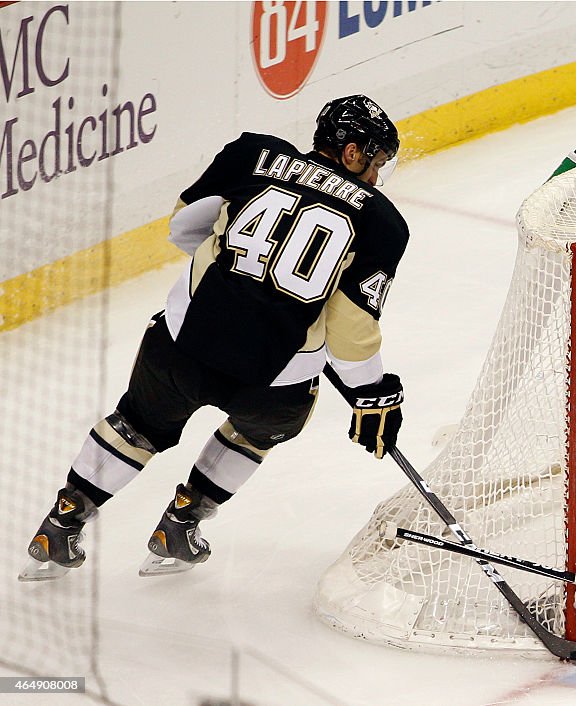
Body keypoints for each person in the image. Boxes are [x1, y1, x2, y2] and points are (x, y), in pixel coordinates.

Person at [20, 95, 410, 580]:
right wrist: (372, 393)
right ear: (351, 153)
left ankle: (60, 524)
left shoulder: (254, 155)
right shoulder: (384, 222)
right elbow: (350, 330)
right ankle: (181, 522)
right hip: (274, 379)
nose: (375, 174)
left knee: (138, 422)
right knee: (258, 430)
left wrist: (234, 276)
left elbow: (184, 226)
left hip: (182, 343)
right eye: (374, 161)